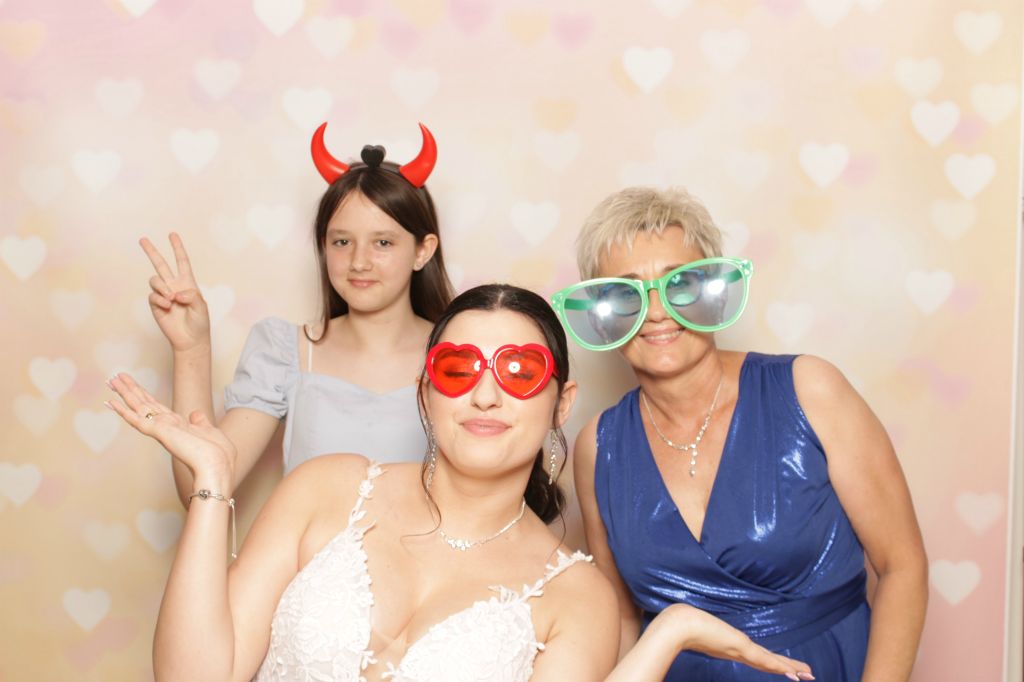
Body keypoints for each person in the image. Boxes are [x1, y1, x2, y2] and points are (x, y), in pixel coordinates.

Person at [104, 284, 814, 681]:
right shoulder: (325, 489)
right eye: (458, 369)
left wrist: (668, 635)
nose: (485, 395)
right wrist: (212, 487)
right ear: (426, 391)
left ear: (560, 403)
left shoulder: (576, 598)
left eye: (519, 372)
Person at [551, 187, 928, 681]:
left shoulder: (810, 389)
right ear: (602, 315)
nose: (657, 311)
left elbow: (902, 566)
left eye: (680, 284)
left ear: (714, 290)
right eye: (627, 294)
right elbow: (622, 619)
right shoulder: (598, 446)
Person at [140, 123, 454, 505]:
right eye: (342, 241)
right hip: (306, 547)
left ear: (423, 250)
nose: (359, 261)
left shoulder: (462, 355)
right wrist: (191, 349)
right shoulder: (285, 351)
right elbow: (201, 489)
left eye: (383, 242)